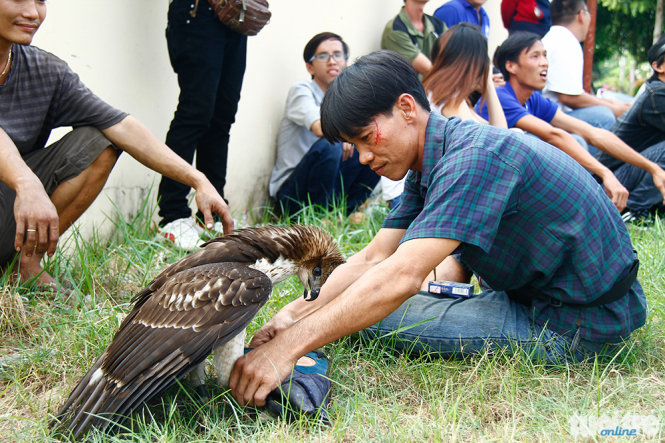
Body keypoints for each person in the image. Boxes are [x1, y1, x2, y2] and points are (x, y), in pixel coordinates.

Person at [228, 50, 646, 407]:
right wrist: (294, 314)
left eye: (364, 138)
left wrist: (288, 348)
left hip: (573, 324)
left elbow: (401, 276)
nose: (362, 158)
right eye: (353, 146)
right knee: (359, 300)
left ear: (407, 108)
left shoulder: (474, 158)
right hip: (551, 296)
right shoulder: (433, 160)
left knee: (374, 313)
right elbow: (375, 257)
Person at [0, 0, 233, 292]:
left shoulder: (45, 70)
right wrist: (27, 183)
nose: (33, 13)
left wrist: (198, 180)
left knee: (100, 141)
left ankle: (25, 266)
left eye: (40, 1)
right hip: (19, 193)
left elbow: (121, 126)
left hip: (10, 208)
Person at [478, 32, 665, 215]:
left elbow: (594, 133)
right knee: (559, 142)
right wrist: (605, 173)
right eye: (535, 56)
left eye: (544, 55)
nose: (544, 62)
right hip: (498, 194)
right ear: (511, 66)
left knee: (582, 136)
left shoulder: (533, 99)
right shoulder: (501, 96)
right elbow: (554, 135)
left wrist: (652, 168)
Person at [156, 0, 247, 250]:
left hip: (236, 17)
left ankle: (212, 214)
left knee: (222, 118)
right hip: (197, 12)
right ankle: (172, 216)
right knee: (195, 113)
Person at [268, 32, 379, 216]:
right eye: (323, 56)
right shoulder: (302, 91)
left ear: (346, 62)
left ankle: (342, 214)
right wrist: (346, 135)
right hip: (292, 194)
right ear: (310, 67)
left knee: (373, 145)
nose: (332, 61)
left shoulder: (347, 100)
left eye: (337, 54)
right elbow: (320, 128)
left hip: (329, 188)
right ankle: (317, 219)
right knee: (331, 143)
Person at [601, 35, 665, 219]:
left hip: (632, 173)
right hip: (613, 182)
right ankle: (635, 209)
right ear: (658, 66)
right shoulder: (657, 95)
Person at [541, 0, 629, 128]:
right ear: (582, 15)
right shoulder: (565, 41)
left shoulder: (554, 37)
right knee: (604, 116)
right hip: (551, 120)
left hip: (551, 116)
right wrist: (615, 109)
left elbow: (574, 94)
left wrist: (615, 104)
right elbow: (569, 97)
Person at [381, 0, 445, 77]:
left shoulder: (438, 25)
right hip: (411, 88)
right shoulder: (395, 29)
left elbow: (456, 57)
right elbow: (428, 71)